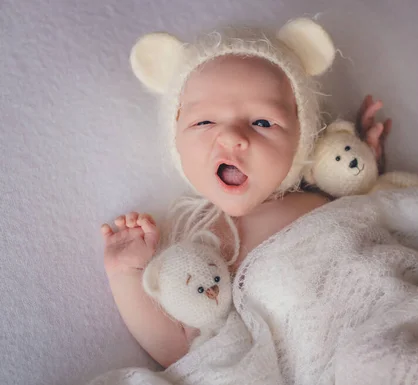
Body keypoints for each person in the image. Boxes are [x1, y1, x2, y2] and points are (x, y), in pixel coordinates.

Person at [99, 18, 391, 368]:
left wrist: (367, 162)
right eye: (204, 122)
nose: (233, 136)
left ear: (301, 139)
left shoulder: (318, 196)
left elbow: (377, 220)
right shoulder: (201, 238)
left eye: (263, 122)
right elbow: (181, 351)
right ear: (175, 139)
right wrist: (127, 272)